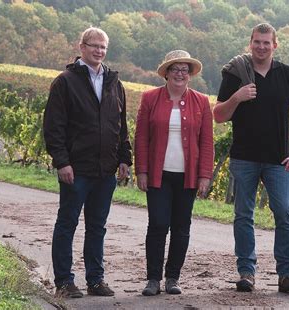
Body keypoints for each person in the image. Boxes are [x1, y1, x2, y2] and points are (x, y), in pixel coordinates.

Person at [213, 23, 289, 293]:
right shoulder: (236, 75)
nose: (261, 46)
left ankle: (285, 273)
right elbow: (219, 116)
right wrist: (237, 97)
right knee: (243, 215)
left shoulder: (287, 75)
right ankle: (247, 273)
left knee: (285, 214)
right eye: (257, 42)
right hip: (243, 158)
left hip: (278, 161)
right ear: (250, 43)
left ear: (275, 45)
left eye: (266, 43)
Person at [43, 27, 132, 298]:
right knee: (67, 223)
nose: (99, 51)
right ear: (81, 47)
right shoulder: (65, 82)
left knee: (97, 227)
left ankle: (95, 280)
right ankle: (64, 282)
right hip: (76, 169)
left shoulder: (114, 83)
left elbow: (122, 125)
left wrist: (125, 158)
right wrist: (62, 162)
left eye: (103, 47)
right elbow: (54, 127)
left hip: (105, 170)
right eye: (94, 45)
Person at [134, 50, 214, 296]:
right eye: (175, 69)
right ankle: (153, 279)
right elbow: (141, 137)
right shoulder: (150, 98)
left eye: (184, 70)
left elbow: (207, 142)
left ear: (189, 75)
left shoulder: (201, 102)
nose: (180, 73)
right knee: (157, 224)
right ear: (166, 73)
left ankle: (172, 278)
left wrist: (204, 175)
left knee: (181, 227)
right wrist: (142, 171)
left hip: (187, 176)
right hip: (159, 174)